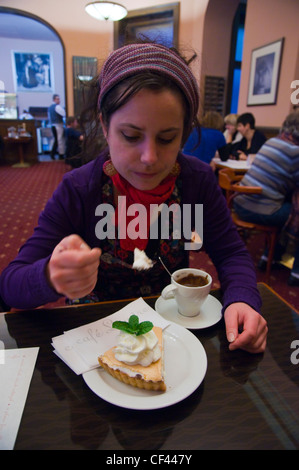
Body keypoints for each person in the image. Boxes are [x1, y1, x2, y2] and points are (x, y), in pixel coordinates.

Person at [0, 42, 267, 354]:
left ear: (184, 131)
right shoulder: (79, 189)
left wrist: (244, 298)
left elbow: (231, 254)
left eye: (167, 138)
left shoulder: (197, 182)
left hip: (171, 335)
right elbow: (10, 286)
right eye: (130, 136)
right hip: (93, 341)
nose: (149, 158)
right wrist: (49, 274)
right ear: (104, 125)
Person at [233, 111, 299, 286]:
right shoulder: (295, 151)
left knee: (285, 205)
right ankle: (296, 272)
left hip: (239, 203)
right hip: (260, 210)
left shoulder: (272, 141)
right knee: (295, 212)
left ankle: (269, 256)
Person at [48, 94, 66, 160]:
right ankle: (61, 154)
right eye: (57, 99)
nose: (59, 100)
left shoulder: (50, 108)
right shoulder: (57, 107)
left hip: (52, 125)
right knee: (60, 140)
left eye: (59, 99)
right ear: (54, 100)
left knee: (56, 140)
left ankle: (53, 153)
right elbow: (64, 114)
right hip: (58, 125)